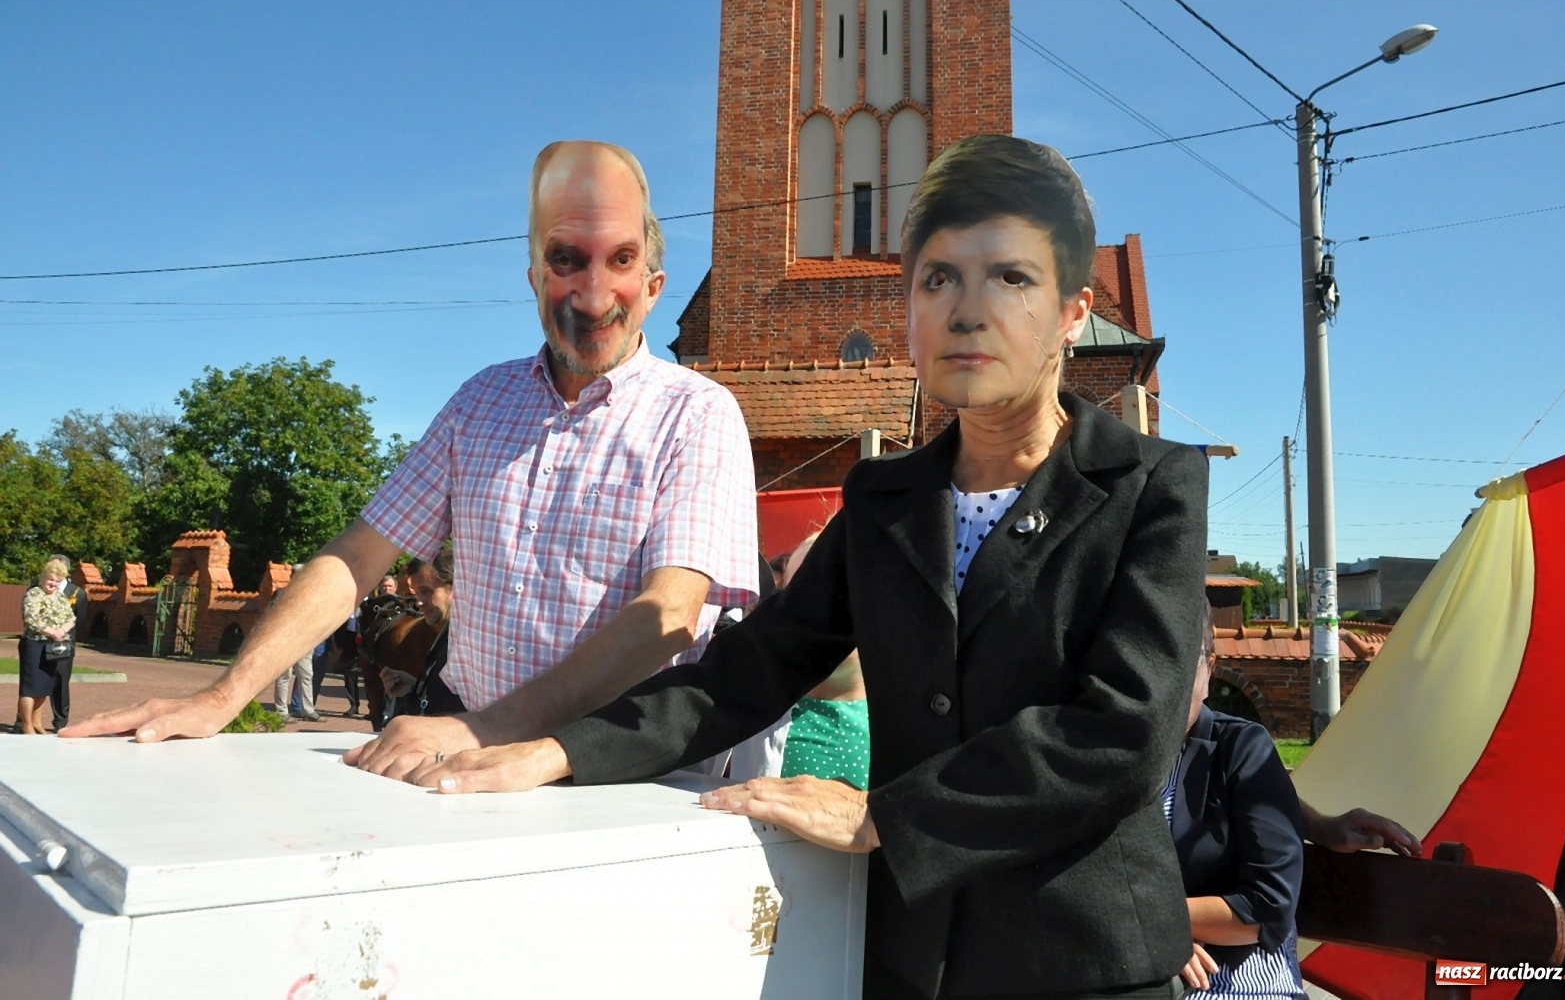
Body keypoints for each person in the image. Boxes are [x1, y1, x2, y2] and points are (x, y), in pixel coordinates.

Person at [409, 135, 1210, 1000]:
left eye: (1010, 277)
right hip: (907, 962)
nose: (967, 311)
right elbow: (746, 671)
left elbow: (1124, 732)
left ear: (1070, 309)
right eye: (937, 278)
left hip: (1087, 964)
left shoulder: (1148, 485)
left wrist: (889, 814)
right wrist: (561, 749)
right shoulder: (884, 500)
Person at [66, 140, 760, 777]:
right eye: (565, 259)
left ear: (655, 286)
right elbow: (357, 557)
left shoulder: (695, 412)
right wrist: (223, 696)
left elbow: (665, 612)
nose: (591, 290)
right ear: (533, 277)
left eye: (621, 259)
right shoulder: (479, 402)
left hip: (622, 767)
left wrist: (484, 728)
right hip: (465, 755)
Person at [1167, 618, 1307, 997]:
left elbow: (1266, 907)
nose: (1165, 681)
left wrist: (1153, 926)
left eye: (1181, 660)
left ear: (1208, 669)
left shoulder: (1240, 747)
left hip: (1240, 986)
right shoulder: (1106, 753)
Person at [776, 528, 871, 790]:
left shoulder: (903, 721)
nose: (820, 616)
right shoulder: (749, 709)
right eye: (798, 597)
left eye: (842, 595)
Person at [380, 547, 464, 718]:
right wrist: (414, 686)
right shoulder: (448, 632)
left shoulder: (473, 642)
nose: (419, 602)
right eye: (417, 593)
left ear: (457, 587)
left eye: (426, 591)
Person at [17, 557, 77, 735]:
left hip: (52, 647)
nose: (53, 583)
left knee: (44, 686)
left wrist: (62, 630)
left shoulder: (60, 597)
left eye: (57, 581)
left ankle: (37, 723)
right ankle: (26, 725)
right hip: (33, 645)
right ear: (43, 578)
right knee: (30, 687)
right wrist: (51, 631)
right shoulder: (33, 594)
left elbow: (71, 617)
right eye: (50, 579)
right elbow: (31, 619)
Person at [47, 553, 87, 731]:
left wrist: (62, 632)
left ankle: (60, 721)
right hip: (40, 641)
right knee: (35, 679)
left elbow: (81, 619)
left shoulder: (77, 592)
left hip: (62, 643)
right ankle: (23, 720)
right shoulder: (39, 588)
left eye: (57, 567)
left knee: (60, 681)